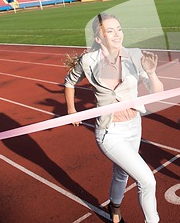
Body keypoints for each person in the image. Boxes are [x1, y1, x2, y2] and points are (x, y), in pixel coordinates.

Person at [64, 13, 163, 223]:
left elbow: (157, 92)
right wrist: (72, 110)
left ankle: (114, 207)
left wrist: (152, 73)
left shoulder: (134, 55)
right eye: (110, 31)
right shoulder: (88, 61)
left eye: (119, 29)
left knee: (121, 174)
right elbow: (69, 82)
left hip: (134, 126)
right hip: (110, 133)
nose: (117, 34)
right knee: (147, 180)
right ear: (99, 39)